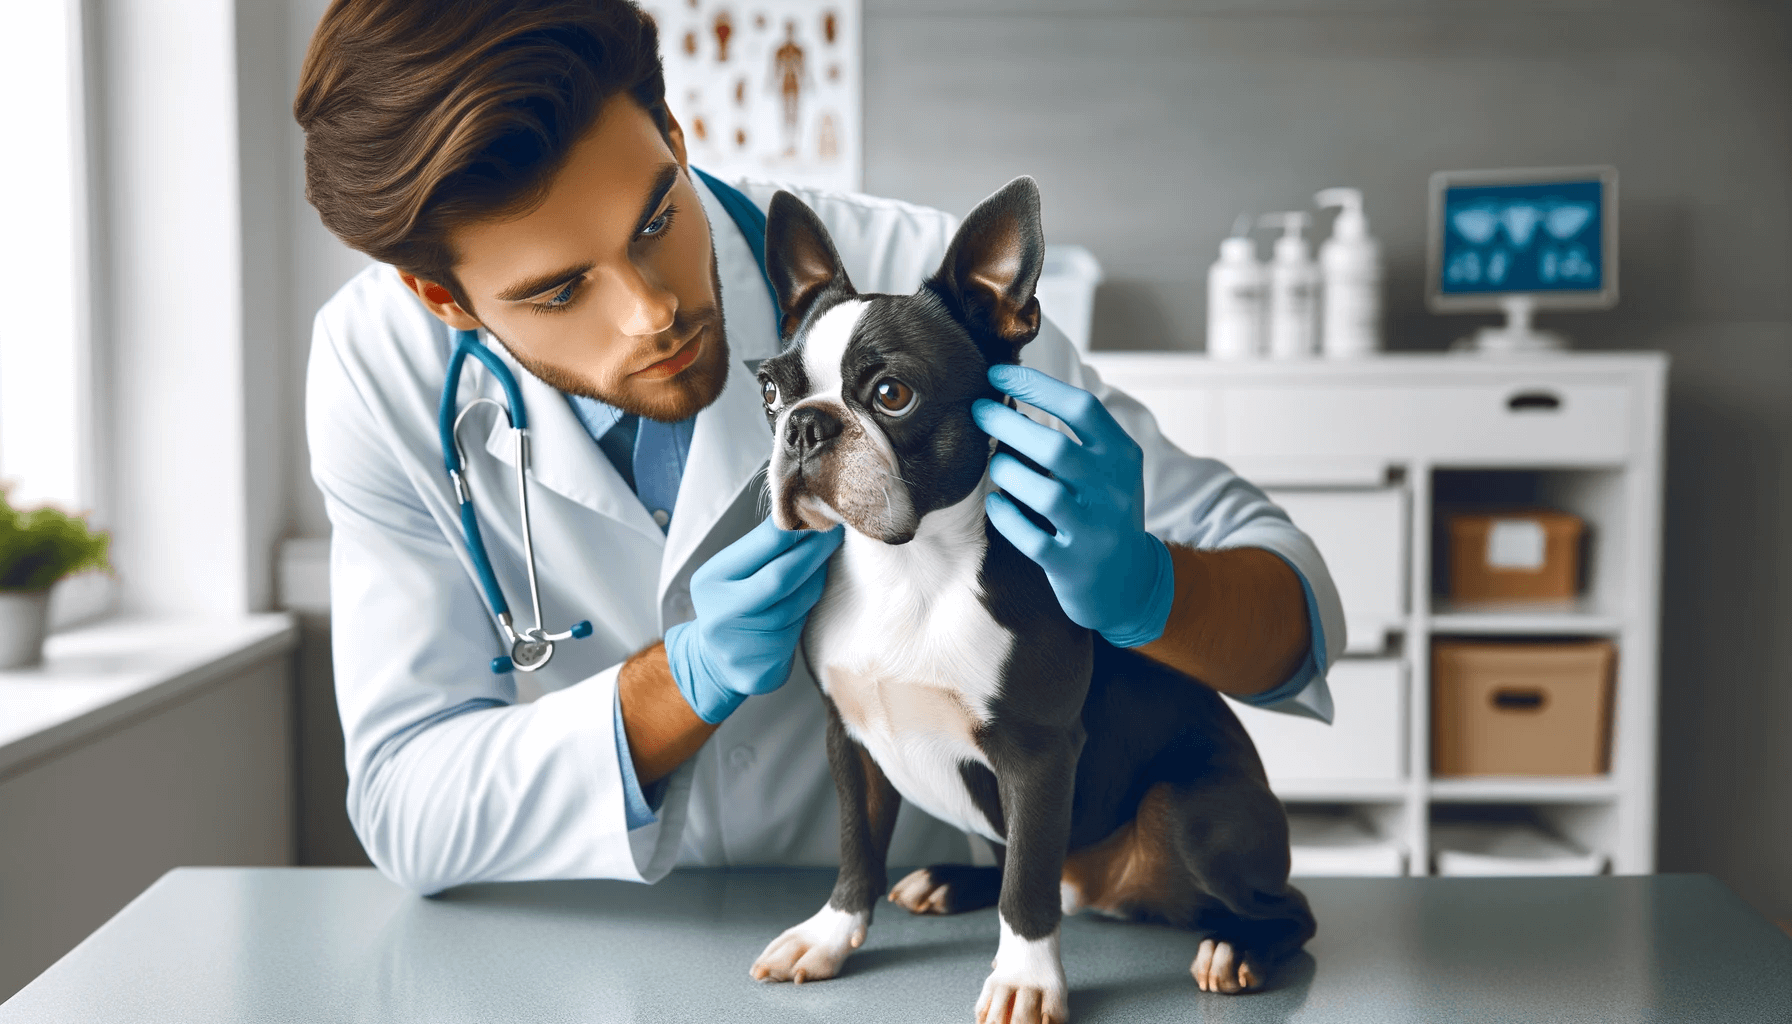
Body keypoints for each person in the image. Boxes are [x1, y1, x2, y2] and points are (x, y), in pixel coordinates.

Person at [294, 0, 1345, 895]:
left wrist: (1152, 589)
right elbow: (406, 809)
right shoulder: (377, 372)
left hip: (933, 930)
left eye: (658, 217)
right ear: (443, 298)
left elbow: (1292, 617)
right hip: (600, 947)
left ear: (671, 127)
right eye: (560, 290)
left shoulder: (904, 285)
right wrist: (685, 680)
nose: (651, 311)